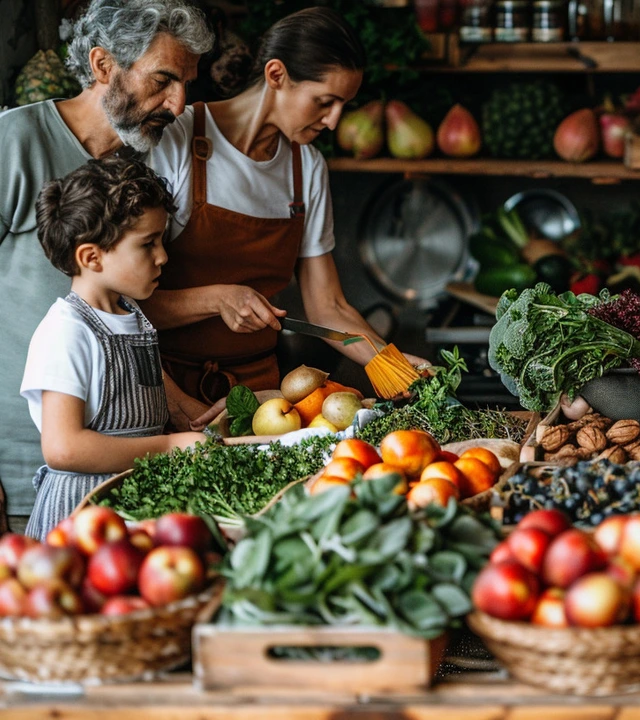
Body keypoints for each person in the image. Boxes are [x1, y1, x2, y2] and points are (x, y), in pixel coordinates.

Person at [0, 0, 212, 533]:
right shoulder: (14, 142)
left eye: (186, 83)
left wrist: (176, 403)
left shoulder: (133, 169)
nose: (179, 102)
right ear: (102, 66)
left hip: (119, 479)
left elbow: (115, 321)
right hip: (23, 468)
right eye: (163, 79)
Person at [145, 7, 424, 410]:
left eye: (343, 105)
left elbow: (327, 306)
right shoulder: (176, 140)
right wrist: (215, 300)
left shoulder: (306, 167)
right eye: (324, 102)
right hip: (171, 390)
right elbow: (124, 302)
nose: (333, 121)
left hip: (266, 396)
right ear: (277, 75)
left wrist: (395, 368)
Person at [21, 158, 206, 540]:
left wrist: (202, 424)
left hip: (133, 511)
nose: (163, 256)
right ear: (91, 257)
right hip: (80, 522)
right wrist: (170, 446)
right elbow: (64, 447)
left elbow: (157, 409)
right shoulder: (66, 331)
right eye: (147, 244)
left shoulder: (132, 316)